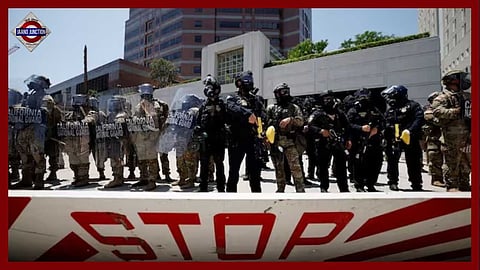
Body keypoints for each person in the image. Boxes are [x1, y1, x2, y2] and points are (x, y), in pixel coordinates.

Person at [225, 70, 266, 193]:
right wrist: (247, 114)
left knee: (255, 174)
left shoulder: (256, 99)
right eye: (246, 80)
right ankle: (230, 199)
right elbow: (231, 108)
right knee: (233, 172)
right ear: (238, 83)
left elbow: (263, 115)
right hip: (236, 140)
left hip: (253, 140)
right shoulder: (232, 98)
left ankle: (257, 199)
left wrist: (263, 129)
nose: (249, 83)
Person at [431, 70, 471, 192]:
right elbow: (436, 111)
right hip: (451, 136)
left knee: (466, 161)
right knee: (452, 161)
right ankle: (452, 185)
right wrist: (454, 112)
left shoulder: (466, 96)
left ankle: (465, 182)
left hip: (467, 135)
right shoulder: (443, 97)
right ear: (452, 80)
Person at [307, 90, 351, 193]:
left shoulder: (339, 113)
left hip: (338, 143)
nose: (328, 101)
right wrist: (320, 131)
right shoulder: (317, 113)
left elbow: (347, 126)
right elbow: (310, 126)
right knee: (323, 167)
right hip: (323, 143)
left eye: (330, 98)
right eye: (326, 99)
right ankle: (324, 188)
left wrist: (348, 139)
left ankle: (344, 189)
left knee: (341, 167)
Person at [382, 85, 425, 191]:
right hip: (395, 139)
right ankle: (393, 182)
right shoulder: (391, 110)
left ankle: (416, 183)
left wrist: (410, 130)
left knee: (413, 161)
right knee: (392, 161)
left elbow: (419, 119)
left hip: (410, 137)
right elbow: (386, 122)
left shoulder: (413, 105)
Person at [11, 75, 50, 190]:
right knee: (23, 154)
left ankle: (39, 180)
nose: (30, 85)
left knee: (37, 154)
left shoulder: (45, 97)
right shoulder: (29, 95)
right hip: (23, 128)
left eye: (34, 83)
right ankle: (26, 179)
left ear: (40, 84)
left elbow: (45, 111)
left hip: (36, 129)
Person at [265, 82, 305, 193]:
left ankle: (300, 191)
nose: (285, 94)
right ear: (277, 94)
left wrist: (291, 119)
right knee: (279, 169)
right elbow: (265, 125)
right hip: (276, 142)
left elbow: (301, 121)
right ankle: (280, 190)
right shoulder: (271, 108)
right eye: (282, 92)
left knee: (296, 168)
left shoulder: (294, 108)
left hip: (290, 142)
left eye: (287, 91)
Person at [128, 84, 168, 191]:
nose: (143, 96)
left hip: (151, 137)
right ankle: (143, 178)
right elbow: (136, 119)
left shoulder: (154, 105)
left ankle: (152, 180)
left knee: (151, 159)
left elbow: (153, 120)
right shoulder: (139, 105)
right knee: (142, 159)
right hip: (141, 137)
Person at [346, 88, 385, 192]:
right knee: (359, 164)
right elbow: (348, 125)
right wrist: (360, 128)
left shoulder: (374, 109)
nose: (364, 99)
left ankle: (371, 184)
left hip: (374, 141)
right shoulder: (353, 110)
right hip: (358, 141)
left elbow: (383, 121)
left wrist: (377, 128)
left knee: (375, 163)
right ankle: (359, 185)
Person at [196, 74, 227, 192]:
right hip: (206, 139)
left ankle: (221, 188)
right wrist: (198, 130)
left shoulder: (222, 104)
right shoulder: (203, 105)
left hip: (218, 139)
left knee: (219, 164)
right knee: (203, 165)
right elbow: (198, 121)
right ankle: (203, 187)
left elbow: (227, 119)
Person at [58, 94, 93, 187]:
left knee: (83, 160)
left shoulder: (90, 113)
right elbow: (64, 122)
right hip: (70, 140)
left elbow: (91, 119)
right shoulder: (70, 114)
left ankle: (84, 178)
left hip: (83, 140)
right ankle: (77, 176)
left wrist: (84, 119)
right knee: (73, 161)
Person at [100, 96, 129, 189]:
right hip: (112, 140)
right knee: (114, 158)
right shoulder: (111, 115)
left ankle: (118, 178)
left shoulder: (122, 115)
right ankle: (118, 177)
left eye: (115, 103)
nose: (113, 105)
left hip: (119, 140)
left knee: (117, 159)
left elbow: (120, 126)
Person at [423, 91, 446, 187]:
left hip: (446, 137)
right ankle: (436, 179)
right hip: (434, 138)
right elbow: (434, 120)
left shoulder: (444, 109)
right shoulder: (428, 109)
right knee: (434, 158)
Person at [42, 95, 64, 182]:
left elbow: (60, 123)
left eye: (49, 103)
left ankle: (53, 173)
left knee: (53, 156)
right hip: (43, 137)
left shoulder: (56, 111)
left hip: (53, 138)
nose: (48, 104)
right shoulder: (43, 111)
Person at [86, 96, 107, 181]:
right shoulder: (86, 114)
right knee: (85, 157)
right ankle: (83, 174)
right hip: (88, 138)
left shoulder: (100, 114)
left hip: (97, 138)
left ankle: (101, 173)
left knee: (99, 157)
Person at [8, 88, 24, 187]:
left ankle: (12, 175)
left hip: (12, 131)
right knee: (13, 153)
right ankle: (14, 174)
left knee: (12, 152)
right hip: (14, 131)